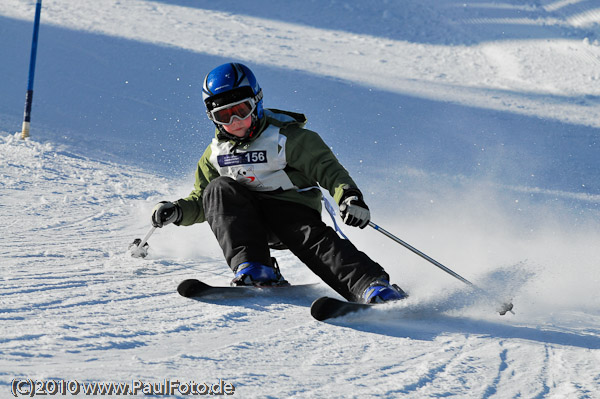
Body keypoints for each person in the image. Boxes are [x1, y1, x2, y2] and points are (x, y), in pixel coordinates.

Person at [151, 62, 406, 304]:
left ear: (257, 102)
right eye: (224, 115)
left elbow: (328, 170)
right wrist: (178, 210)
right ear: (213, 118)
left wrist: (349, 196)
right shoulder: (215, 154)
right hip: (248, 225)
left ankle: (370, 285)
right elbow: (204, 199)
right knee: (218, 189)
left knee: (312, 239)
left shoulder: (288, 138)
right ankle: (255, 268)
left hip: (292, 215)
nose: (235, 122)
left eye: (242, 110)